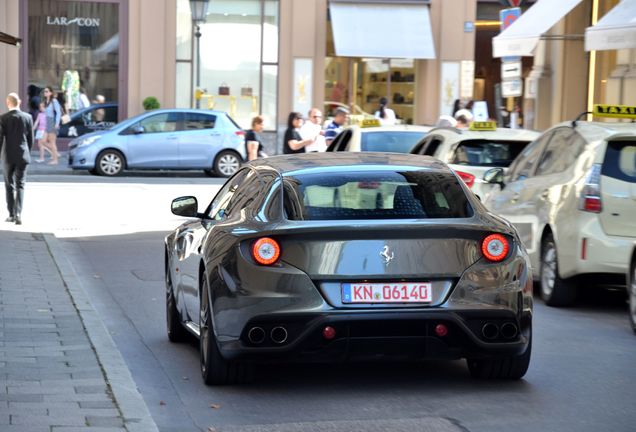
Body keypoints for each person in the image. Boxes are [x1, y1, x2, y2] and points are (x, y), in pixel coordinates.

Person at [0, 92, 34, 225]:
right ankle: (19, 214)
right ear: (19, 102)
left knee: (9, 185)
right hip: (23, 155)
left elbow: (0, 138)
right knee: (21, 185)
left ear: (7, 103)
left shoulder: (3, 118)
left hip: (8, 156)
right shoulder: (28, 117)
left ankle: (11, 214)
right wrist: (27, 153)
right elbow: (30, 139)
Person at [42, 86, 61, 164]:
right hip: (47, 122)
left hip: (52, 122)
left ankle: (55, 160)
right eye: (44, 91)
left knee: (52, 142)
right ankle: (56, 153)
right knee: (43, 141)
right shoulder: (46, 101)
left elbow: (58, 112)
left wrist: (57, 123)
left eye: (46, 91)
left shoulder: (54, 101)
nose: (45, 93)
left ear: (51, 93)